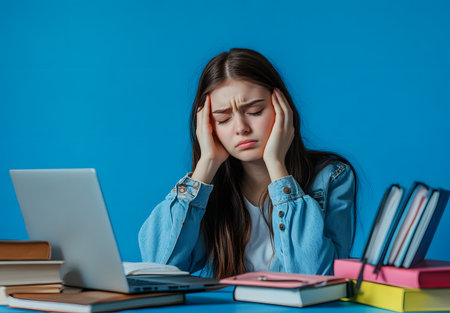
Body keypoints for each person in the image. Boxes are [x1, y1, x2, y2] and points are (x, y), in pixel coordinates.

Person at [139, 48, 358, 279]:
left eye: (255, 111)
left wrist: (276, 165)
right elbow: (157, 269)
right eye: (223, 119)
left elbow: (314, 277)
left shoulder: (332, 177)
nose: (241, 128)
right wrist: (206, 165)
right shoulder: (213, 189)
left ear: (283, 109)